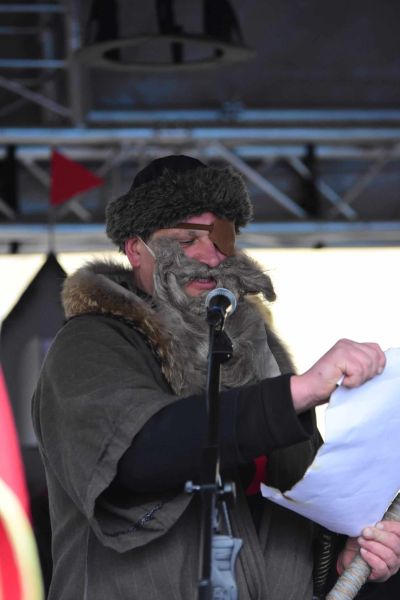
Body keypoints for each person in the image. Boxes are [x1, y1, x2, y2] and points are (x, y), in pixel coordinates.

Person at [32, 155, 400, 599]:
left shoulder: (260, 353)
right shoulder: (90, 345)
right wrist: (295, 393)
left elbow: (291, 509)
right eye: (187, 239)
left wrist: (338, 560)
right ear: (135, 249)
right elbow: (137, 456)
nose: (211, 257)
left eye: (222, 238)